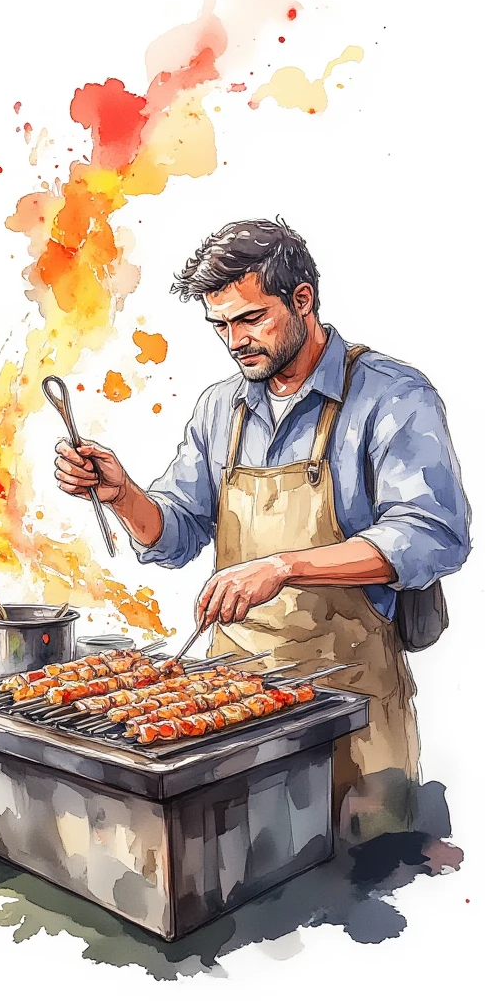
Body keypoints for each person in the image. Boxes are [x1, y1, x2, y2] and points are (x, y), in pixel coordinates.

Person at [54, 218, 470, 842]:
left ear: (302, 300)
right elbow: (177, 531)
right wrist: (124, 495)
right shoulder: (222, 406)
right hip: (232, 709)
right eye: (220, 326)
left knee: (362, 878)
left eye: (250, 319)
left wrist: (285, 566)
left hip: (350, 703)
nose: (234, 341)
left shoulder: (392, 395)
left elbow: (433, 532)